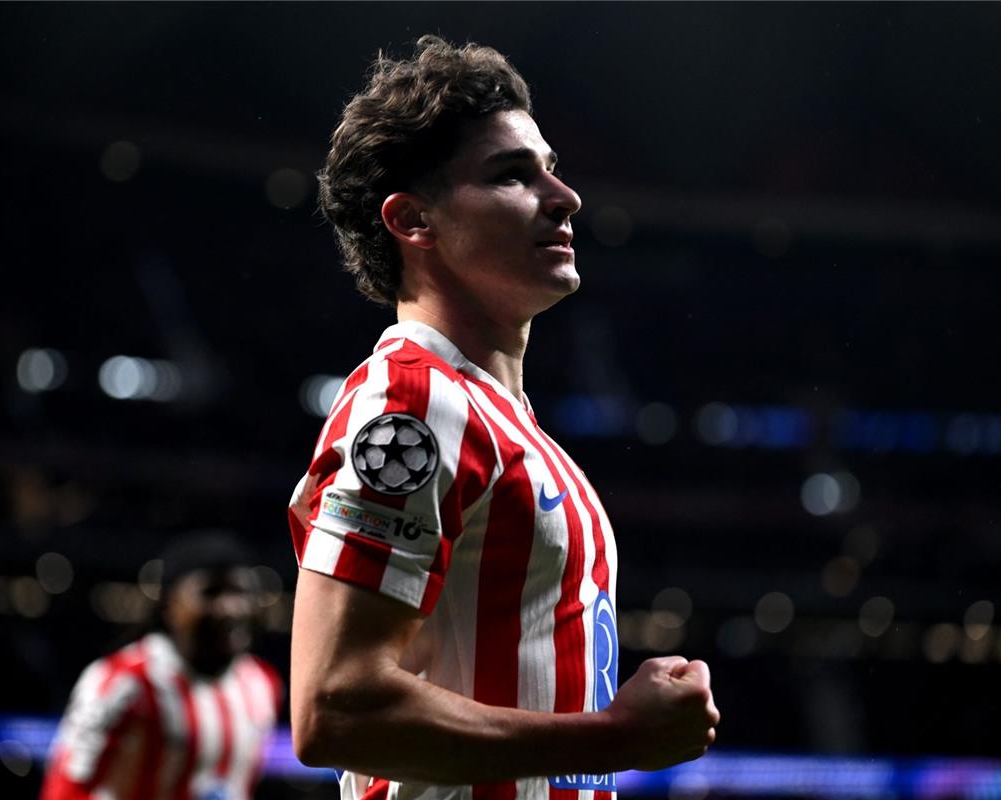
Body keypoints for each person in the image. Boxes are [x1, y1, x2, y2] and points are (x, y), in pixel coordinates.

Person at [287, 35, 719, 800]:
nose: (564, 196)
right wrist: (617, 737)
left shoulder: (503, 420)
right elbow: (333, 708)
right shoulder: (412, 401)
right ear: (413, 220)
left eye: (550, 167)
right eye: (512, 175)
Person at [40, 531, 283, 800]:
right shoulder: (123, 681)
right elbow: (68, 786)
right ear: (170, 604)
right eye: (211, 592)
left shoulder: (263, 683)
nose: (231, 608)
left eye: (241, 593)